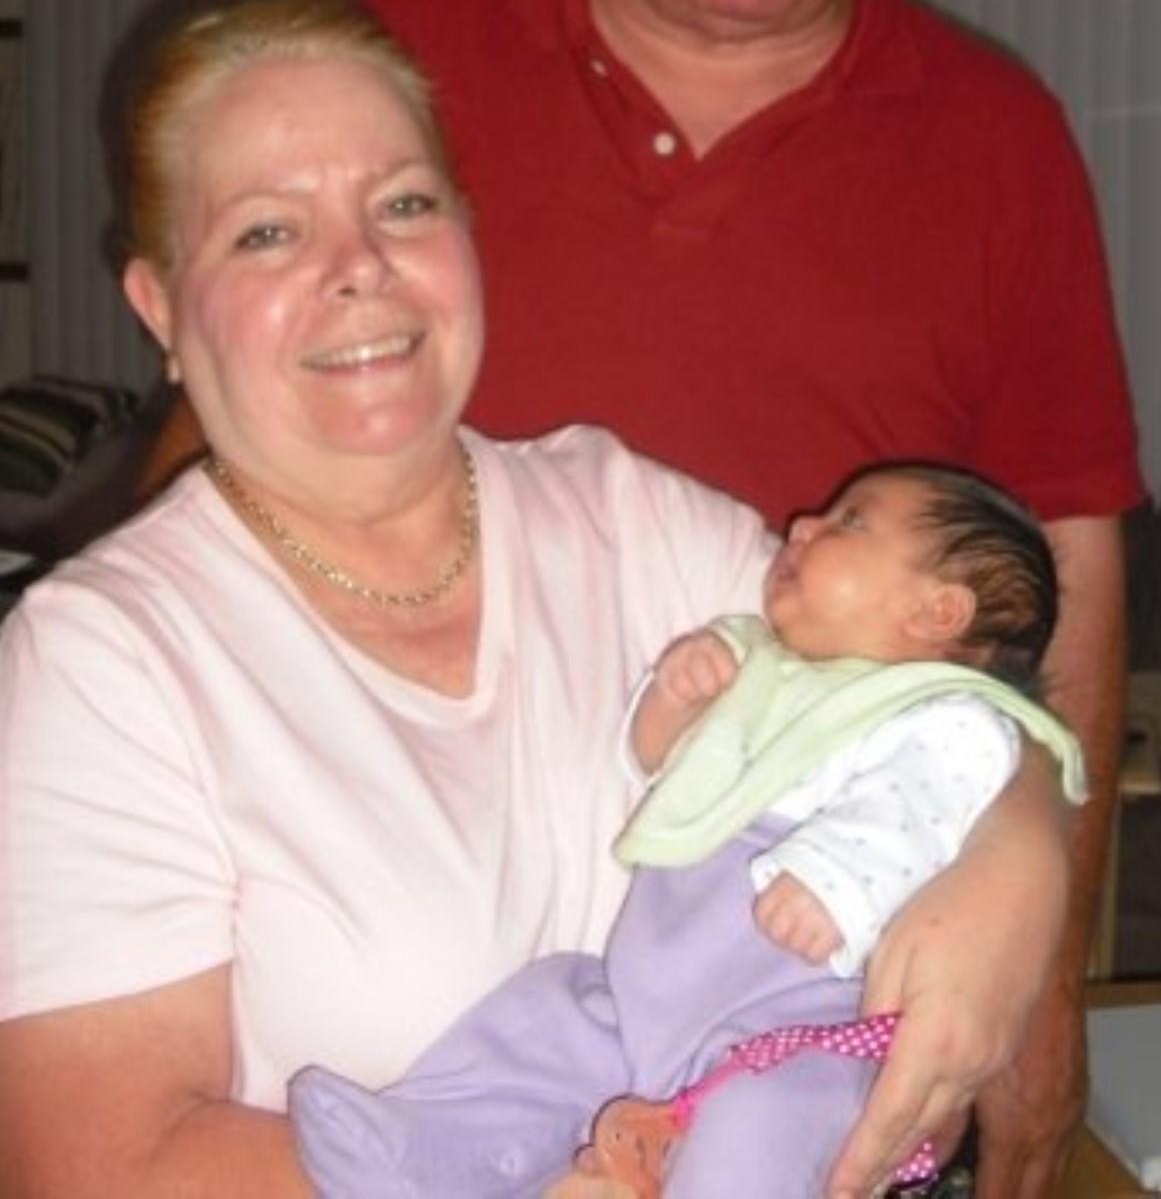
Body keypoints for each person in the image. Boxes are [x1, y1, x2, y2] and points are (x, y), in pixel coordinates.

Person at [143, 0, 1146, 1193]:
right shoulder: (411, 48)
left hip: (814, 959)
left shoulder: (1002, 141)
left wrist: (1047, 973)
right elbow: (240, 415)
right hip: (423, 949)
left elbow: (1070, 566)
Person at [0, 0, 1070, 1199]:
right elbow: (91, 1168)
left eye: (403, 204)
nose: (360, 268)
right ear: (160, 306)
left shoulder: (630, 519)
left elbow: (925, 688)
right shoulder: (105, 658)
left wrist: (1019, 860)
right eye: (267, 232)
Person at [289, 462, 1084, 1198]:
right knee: (546, 1017)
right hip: (649, 990)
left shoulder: (947, 716)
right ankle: (424, 1150)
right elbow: (658, 766)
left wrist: (840, 880)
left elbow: (919, 803)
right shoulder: (762, 660)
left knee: (763, 1122)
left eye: (852, 522)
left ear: (938, 611)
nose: (803, 523)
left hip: (801, 1007)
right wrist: (674, 700)